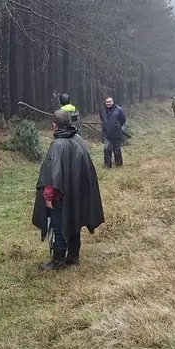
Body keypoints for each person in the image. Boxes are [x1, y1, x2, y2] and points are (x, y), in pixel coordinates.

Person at [33, 110, 104, 270]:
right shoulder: (77, 139)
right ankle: (73, 256)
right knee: (74, 221)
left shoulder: (57, 145)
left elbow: (52, 174)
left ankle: (57, 261)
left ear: (54, 126)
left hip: (61, 195)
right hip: (76, 192)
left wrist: (48, 196)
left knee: (59, 225)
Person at [99, 96, 126, 168]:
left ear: (113, 102)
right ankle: (107, 164)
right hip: (106, 133)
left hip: (116, 133)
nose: (108, 103)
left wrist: (117, 126)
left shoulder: (119, 109)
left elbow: (123, 119)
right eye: (107, 102)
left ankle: (119, 164)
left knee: (117, 149)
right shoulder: (102, 110)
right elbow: (102, 118)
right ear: (105, 102)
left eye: (109, 102)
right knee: (107, 149)